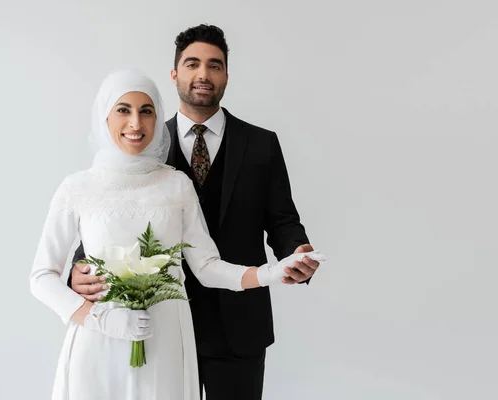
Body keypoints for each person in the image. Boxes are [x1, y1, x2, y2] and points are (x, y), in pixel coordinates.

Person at [30, 69, 315, 400]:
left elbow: (207, 267)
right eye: (123, 110)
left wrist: (271, 272)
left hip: (167, 341)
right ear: (104, 116)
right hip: (99, 343)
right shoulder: (76, 187)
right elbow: (41, 277)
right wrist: (98, 318)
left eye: (146, 111)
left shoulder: (176, 184)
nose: (136, 123)